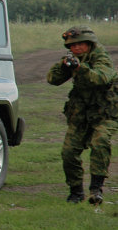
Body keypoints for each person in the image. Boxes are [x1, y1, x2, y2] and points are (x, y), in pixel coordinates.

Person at [46, 26, 117, 205]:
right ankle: (76, 191)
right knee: (68, 153)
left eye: (79, 45)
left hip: (104, 114)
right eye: (71, 46)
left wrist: (80, 68)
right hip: (81, 116)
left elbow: (101, 78)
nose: (75, 49)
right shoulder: (73, 59)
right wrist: (64, 66)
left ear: (89, 44)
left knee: (100, 143)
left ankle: (96, 189)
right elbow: (52, 80)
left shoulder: (101, 58)